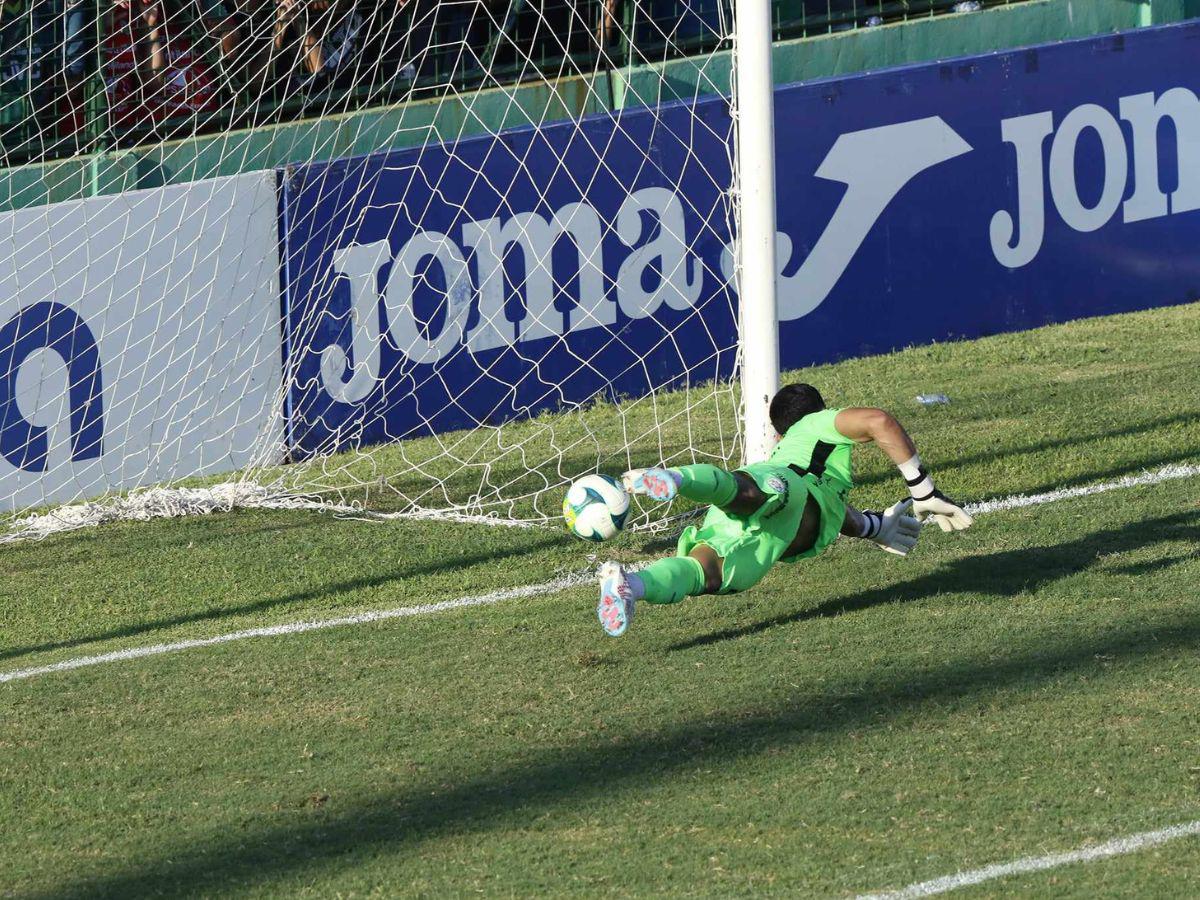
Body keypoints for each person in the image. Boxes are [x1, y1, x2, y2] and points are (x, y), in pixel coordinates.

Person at [596, 382, 974, 637]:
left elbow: (832, 512)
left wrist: (875, 527)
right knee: (753, 494)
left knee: (708, 572)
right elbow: (878, 420)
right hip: (782, 488)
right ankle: (677, 479)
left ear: (776, 432)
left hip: (776, 526)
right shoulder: (815, 424)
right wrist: (922, 490)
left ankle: (631, 586)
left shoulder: (806, 463)